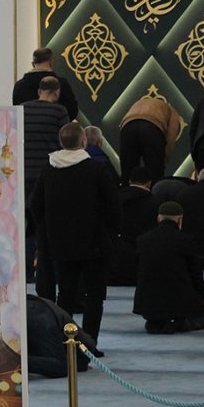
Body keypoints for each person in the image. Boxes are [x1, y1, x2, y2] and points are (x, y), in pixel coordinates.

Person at [30, 122, 120, 343]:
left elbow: (35, 205)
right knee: (94, 296)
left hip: (60, 243)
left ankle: (66, 343)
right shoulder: (97, 169)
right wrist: (111, 233)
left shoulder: (49, 169)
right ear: (84, 142)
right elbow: (113, 205)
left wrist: (48, 229)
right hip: (94, 243)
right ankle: (89, 344)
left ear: (61, 143)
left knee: (66, 295)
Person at [133, 201, 204, 334]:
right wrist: (200, 304)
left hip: (147, 303)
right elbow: (196, 275)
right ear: (180, 219)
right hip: (178, 303)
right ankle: (177, 324)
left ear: (158, 218)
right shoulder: (185, 240)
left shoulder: (143, 240)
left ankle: (158, 322)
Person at [22, 75, 69, 295]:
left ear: (39, 91)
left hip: (22, 174)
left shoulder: (21, 109)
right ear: (57, 92)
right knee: (45, 223)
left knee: (25, 222)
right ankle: (47, 270)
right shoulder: (59, 112)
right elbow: (66, 141)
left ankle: (25, 271)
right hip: (48, 173)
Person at [107, 166, 159, 286]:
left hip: (113, 266)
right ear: (149, 184)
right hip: (141, 268)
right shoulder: (156, 204)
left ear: (130, 181)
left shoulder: (114, 200)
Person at [118, 95, 182, 185]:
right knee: (155, 174)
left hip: (128, 127)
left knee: (127, 173)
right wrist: (164, 159)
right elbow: (171, 136)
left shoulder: (138, 103)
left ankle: (126, 195)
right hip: (152, 127)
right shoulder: (171, 111)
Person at [12, 47, 78, 121]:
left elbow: (16, 113)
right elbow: (72, 112)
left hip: (27, 131)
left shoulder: (19, 86)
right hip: (54, 130)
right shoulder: (62, 84)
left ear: (33, 64)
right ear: (51, 62)